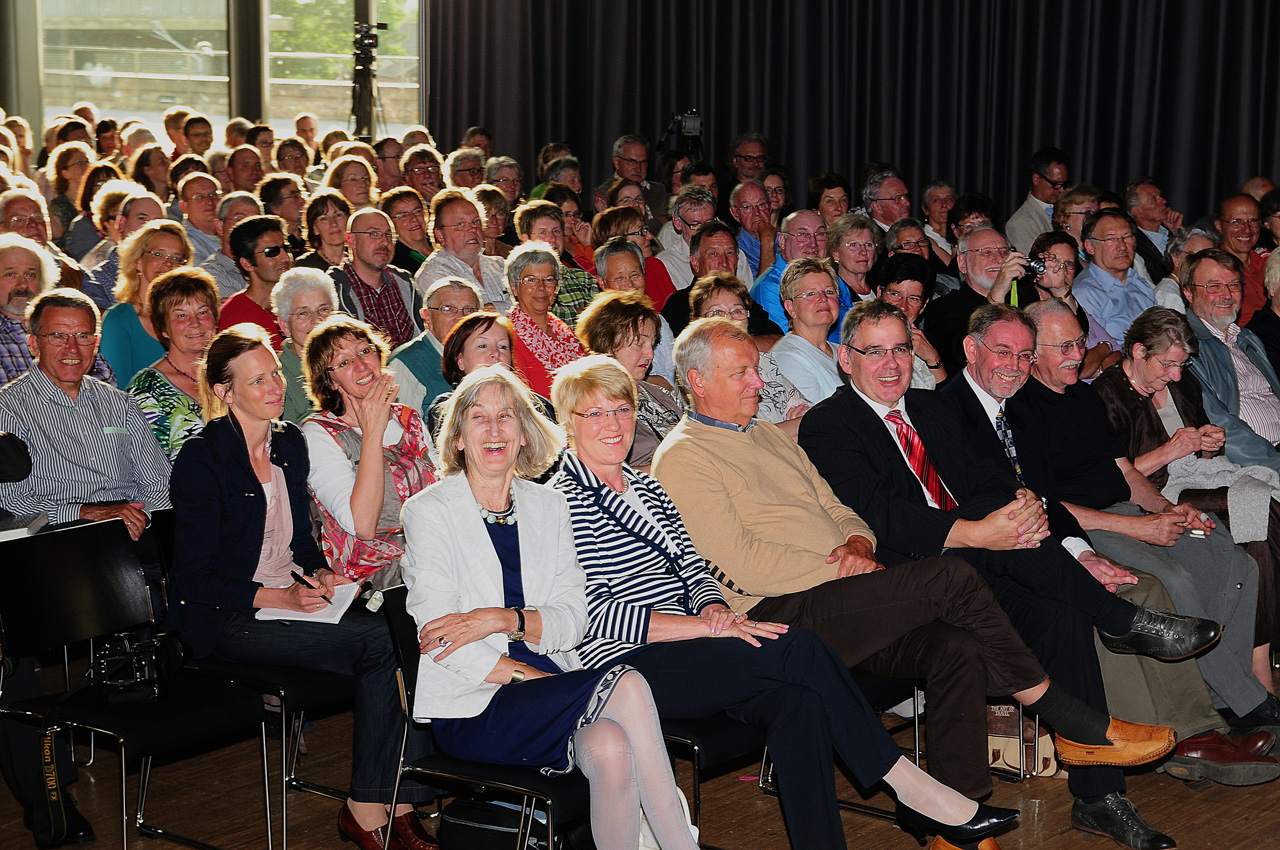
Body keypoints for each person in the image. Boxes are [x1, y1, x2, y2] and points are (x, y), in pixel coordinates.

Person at [651, 318, 1181, 824]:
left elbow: (838, 510)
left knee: (958, 647)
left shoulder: (764, 434)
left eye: (755, 368)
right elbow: (744, 565)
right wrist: (842, 569)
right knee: (950, 576)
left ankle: (957, 819)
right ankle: (1072, 718)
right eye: (741, 372)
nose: (758, 381)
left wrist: (857, 543)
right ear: (697, 382)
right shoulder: (684, 457)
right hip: (779, 614)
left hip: (844, 593)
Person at [547, 355, 1021, 850]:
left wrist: (712, 608)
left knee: (799, 703)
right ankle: (912, 787)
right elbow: (594, 613)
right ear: (567, 423)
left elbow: (694, 568)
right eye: (594, 414)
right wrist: (707, 627)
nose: (613, 424)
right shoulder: (563, 501)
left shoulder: (646, 486)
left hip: (695, 644)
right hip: (628, 664)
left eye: (622, 410)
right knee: (800, 647)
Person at [799, 298, 1224, 846]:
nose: (891, 364)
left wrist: (1019, 504)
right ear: (845, 358)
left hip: (983, 565)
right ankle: (1119, 620)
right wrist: (980, 529)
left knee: (1062, 612)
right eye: (874, 352)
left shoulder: (931, 408)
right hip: (910, 576)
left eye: (901, 349)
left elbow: (985, 474)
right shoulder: (828, 424)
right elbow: (880, 514)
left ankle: (1099, 798)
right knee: (996, 518)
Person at [400, 365, 699, 850]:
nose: (495, 429)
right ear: (457, 439)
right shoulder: (429, 512)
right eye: (479, 418)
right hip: (476, 703)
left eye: (507, 416)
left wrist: (506, 620)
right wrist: (536, 679)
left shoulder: (549, 506)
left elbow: (573, 620)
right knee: (625, 682)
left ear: (524, 433)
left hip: (554, 682)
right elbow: (443, 641)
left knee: (611, 747)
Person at [168, 323, 438, 850]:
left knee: (405, 628)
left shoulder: (287, 442)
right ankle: (368, 807)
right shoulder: (203, 458)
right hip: (230, 617)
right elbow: (192, 579)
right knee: (383, 642)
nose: (275, 387)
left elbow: (301, 540)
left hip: (287, 599)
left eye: (275, 374)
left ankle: (400, 801)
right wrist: (280, 596)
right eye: (258, 381)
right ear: (224, 392)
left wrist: (319, 572)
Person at [1013, 298, 1279, 736]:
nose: (1077, 355)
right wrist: (1139, 526)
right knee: (1176, 579)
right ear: (1032, 352)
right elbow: (1048, 506)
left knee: (1236, 561)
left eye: (1079, 342)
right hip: (1087, 526)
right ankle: (1246, 702)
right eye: (1064, 347)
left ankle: (1228, 696)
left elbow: (1125, 472)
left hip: (1128, 510)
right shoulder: (1021, 410)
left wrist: (1167, 509)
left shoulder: (1082, 396)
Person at [1095, 306, 1280, 689]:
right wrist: (1170, 450)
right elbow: (1113, 478)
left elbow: (1201, 455)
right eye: (1167, 364)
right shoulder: (1106, 394)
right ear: (1138, 351)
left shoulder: (1182, 384)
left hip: (1201, 480)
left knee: (1261, 528)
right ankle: (1256, 664)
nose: (1176, 374)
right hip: (1157, 495)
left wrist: (1210, 444)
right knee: (1262, 507)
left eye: (1181, 365)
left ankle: (1257, 658)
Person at [302, 315, 437, 588]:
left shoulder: (408, 418)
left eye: (365, 351)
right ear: (330, 382)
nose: (361, 365)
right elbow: (362, 526)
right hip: (376, 580)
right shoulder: (319, 433)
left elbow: (441, 494)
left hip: (435, 555)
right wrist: (372, 431)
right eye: (344, 362)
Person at [688, 272, 808, 436]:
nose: (729, 319)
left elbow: (809, 416)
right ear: (697, 322)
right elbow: (737, 438)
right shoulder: (700, 374)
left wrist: (798, 423)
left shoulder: (766, 363)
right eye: (717, 312)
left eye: (737, 311)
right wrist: (791, 427)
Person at [573, 292, 681, 471]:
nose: (650, 354)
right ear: (608, 345)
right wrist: (682, 468)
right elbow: (603, 474)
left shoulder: (658, 393)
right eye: (639, 344)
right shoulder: (593, 404)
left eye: (652, 344)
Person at [127, 268, 218, 459]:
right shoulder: (147, 389)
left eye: (203, 312)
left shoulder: (232, 372)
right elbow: (147, 465)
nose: (195, 323)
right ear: (163, 328)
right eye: (181, 315)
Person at [101, 219, 192, 385]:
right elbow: (117, 390)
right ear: (139, 261)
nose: (168, 263)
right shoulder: (119, 319)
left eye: (176, 258)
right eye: (158, 254)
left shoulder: (192, 319)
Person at [424, 311, 533, 435]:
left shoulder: (536, 407)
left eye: (502, 347)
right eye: (482, 346)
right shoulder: (443, 410)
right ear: (460, 361)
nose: (496, 353)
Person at [330, 209, 423, 349]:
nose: (384, 242)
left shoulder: (405, 283)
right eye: (374, 234)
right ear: (351, 240)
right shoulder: (334, 289)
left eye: (389, 235)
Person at [388, 277, 480, 417]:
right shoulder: (405, 363)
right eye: (448, 309)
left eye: (469, 310)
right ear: (427, 317)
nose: (460, 318)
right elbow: (402, 427)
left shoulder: (487, 355)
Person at [505, 242, 586, 397]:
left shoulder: (562, 329)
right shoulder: (509, 336)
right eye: (531, 280)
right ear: (514, 288)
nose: (541, 287)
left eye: (549, 280)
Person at [414, 189, 510, 313]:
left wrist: (491, 308)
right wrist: (509, 308)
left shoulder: (500, 265)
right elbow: (463, 317)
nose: (472, 229)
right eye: (461, 224)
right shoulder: (434, 274)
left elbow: (531, 305)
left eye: (476, 222)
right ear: (440, 235)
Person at [771, 257, 842, 403]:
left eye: (829, 292)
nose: (823, 298)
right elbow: (818, 414)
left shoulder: (842, 351)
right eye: (810, 294)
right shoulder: (787, 357)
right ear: (791, 308)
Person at [272, 267, 338, 423]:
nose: (317, 321)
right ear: (284, 326)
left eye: (323, 310)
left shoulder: (353, 361)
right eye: (303, 313)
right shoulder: (279, 380)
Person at [220, 215, 292, 349]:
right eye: (272, 252)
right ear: (247, 263)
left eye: (285, 248)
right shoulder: (234, 318)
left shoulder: (298, 302)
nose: (285, 258)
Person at [876, 253, 947, 387]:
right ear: (879, 293)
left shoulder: (926, 342)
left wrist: (933, 359)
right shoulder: (860, 337)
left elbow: (948, 397)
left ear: (923, 305)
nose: (903, 306)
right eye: (895, 294)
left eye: (913, 299)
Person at [1006, 147, 1071, 253]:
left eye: (1064, 184)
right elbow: (1033, 259)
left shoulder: (1070, 208)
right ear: (1036, 179)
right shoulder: (1019, 224)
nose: (1061, 189)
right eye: (1055, 184)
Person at [296, 189, 351, 271]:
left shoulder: (360, 260)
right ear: (315, 228)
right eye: (324, 218)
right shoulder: (305, 267)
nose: (333, 223)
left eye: (338, 215)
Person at [381, 186, 432, 274]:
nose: (414, 219)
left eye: (417, 211)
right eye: (403, 216)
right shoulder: (395, 264)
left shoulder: (443, 242)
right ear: (390, 224)